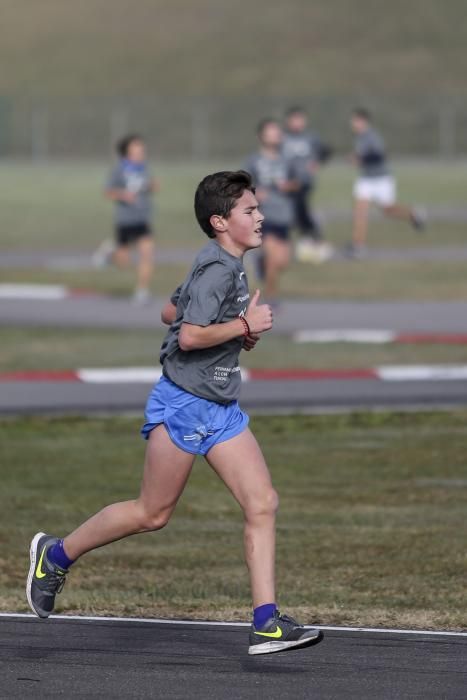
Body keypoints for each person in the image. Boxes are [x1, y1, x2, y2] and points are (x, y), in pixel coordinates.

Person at [26, 170, 323, 656]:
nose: (261, 216)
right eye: (250, 210)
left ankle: (267, 622)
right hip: (185, 403)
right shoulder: (218, 269)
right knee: (152, 513)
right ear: (220, 221)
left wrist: (233, 330)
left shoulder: (220, 261)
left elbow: (170, 313)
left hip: (221, 406)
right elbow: (186, 335)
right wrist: (244, 323)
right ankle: (55, 556)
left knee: (262, 502)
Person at [348, 108, 426, 258]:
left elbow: (379, 155)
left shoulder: (372, 136)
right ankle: (358, 246)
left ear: (364, 121)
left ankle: (413, 214)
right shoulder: (359, 137)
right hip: (366, 179)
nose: (353, 123)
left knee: (388, 210)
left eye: (355, 120)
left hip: (381, 179)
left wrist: (360, 160)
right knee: (360, 211)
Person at [94, 134, 158, 303]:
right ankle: (110, 253)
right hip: (125, 220)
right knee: (123, 261)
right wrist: (123, 195)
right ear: (127, 151)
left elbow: (151, 184)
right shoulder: (119, 169)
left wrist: (152, 185)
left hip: (142, 219)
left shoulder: (144, 167)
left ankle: (142, 290)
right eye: (137, 148)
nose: (141, 151)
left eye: (142, 148)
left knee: (147, 253)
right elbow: (107, 191)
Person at [244, 119, 298, 302]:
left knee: (283, 262)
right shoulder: (254, 161)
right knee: (273, 260)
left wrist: (288, 186)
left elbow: (299, 183)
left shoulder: (287, 160)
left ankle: (260, 263)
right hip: (263, 216)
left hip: (284, 215)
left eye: (278, 131)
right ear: (261, 136)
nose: (276, 135)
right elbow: (240, 186)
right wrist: (255, 192)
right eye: (271, 132)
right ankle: (271, 298)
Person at [282, 106, 334, 264]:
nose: (297, 123)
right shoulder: (283, 138)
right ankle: (308, 236)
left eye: (300, 119)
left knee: (299, 208)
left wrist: (316, 162)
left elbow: (326, 150)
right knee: (294, 212)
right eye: (294, 120)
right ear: (288, 121)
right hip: (287, 182)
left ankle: (313, 237)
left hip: (304, 181)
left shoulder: (311, 138)